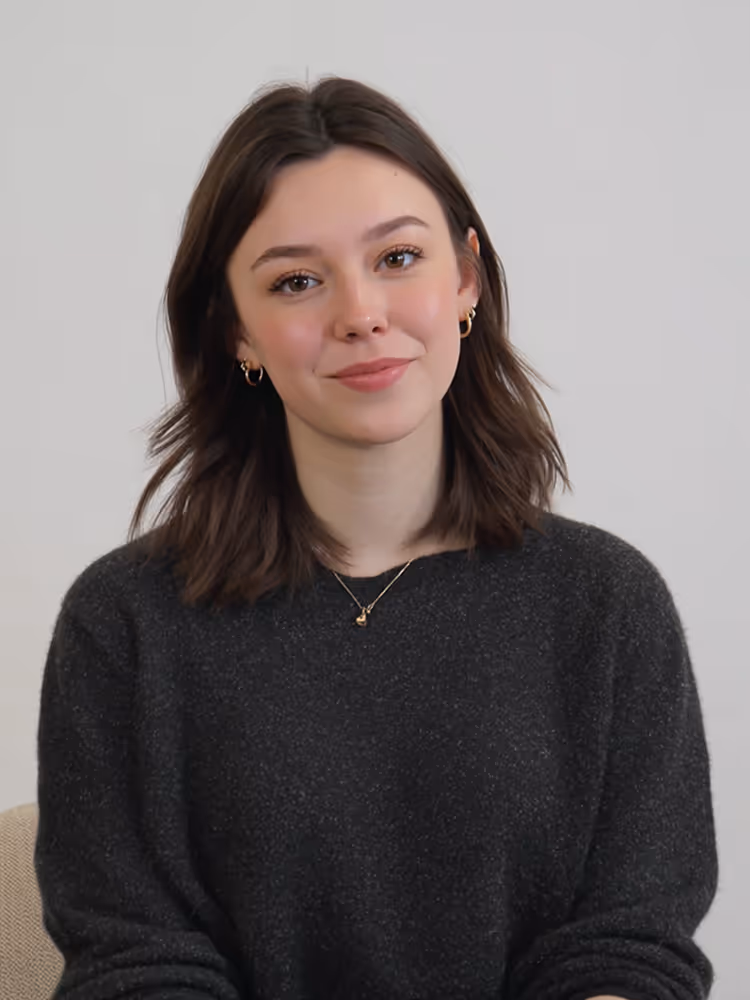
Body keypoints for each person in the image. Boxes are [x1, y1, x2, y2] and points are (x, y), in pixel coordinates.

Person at [34, 76, 718, 1000]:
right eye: (299, 280)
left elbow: (627, 949)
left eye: (397, 258)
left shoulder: (606, 604)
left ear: (466, 277)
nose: (361, 313)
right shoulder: (125, 625)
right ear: (236, 329)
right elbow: (135, 965)